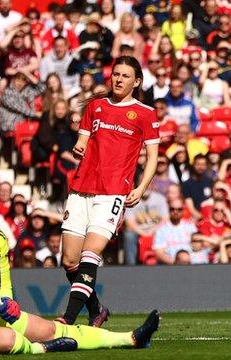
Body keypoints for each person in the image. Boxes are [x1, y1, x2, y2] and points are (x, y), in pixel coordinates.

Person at [0, 177, 160, 357]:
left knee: (51, 328)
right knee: (8, 339)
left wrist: (5, 301)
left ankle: (131, 339)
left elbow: (1, 284)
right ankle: (39, 349)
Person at [58, 56, 160, 326]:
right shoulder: (95, 107)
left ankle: (68, 318)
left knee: (91, 254)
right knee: (69, 261)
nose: (118, 79)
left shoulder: (145, 113)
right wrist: (80, 147)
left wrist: (141, 186)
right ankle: (96, 310)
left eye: (125, 76)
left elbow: (152, 157)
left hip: (113, 192)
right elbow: (83, 139)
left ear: (136, 81)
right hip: (81, 187)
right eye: (116, 74)